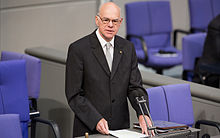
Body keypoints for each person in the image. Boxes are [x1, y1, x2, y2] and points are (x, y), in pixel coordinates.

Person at [65, 2, 153, 137]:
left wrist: (143, 113)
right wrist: (95, 120)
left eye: (115, 21)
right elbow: (74, 95)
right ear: (97, 20)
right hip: (89, 129)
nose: (110, 25)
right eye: (106, 20)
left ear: (120, 22)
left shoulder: (127, 48)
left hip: (120, 129)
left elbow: (135, 87)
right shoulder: (78, 49)